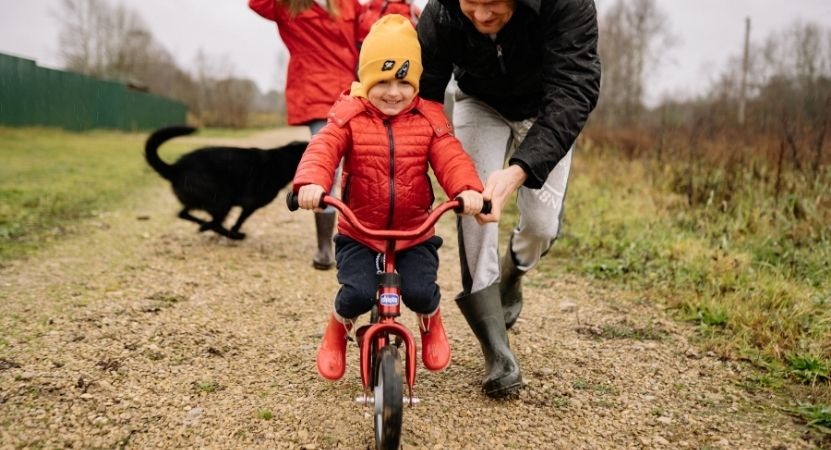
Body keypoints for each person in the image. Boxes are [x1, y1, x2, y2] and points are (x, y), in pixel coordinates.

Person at [416, 0, 602, 397]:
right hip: (478, 102)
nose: (482, 16)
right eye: (472, 3)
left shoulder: (567, 6)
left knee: (540, 228)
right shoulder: (441, 13)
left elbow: (575, 90)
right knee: (474, 206)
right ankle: (496, 351)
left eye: (494, 3)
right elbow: (425, 98)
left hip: (544, 110)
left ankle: (512, 275)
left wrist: (518, 171)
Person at [292, 14, 486, 381]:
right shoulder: (349, 114)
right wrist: (312, 184)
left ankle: (431, 321)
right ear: (366, 80)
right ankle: (337, 329)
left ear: (415, 82)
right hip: (359, 232)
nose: (393, 92)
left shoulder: (429, 118)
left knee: (421, 291)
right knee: (357, 294)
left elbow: (451, 157)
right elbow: (323, 148)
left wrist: (468, 191)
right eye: (382, 81)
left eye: (403, 81)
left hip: (415, 232)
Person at [249, 0, 362, 270]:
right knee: (329, 167)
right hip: (317, 95)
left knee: (361, 166)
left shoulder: (347, 4)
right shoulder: (288, 6)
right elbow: (257, 4)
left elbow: (368, 28)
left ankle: (361, 238)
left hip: (353, 92)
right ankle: (325, 246)